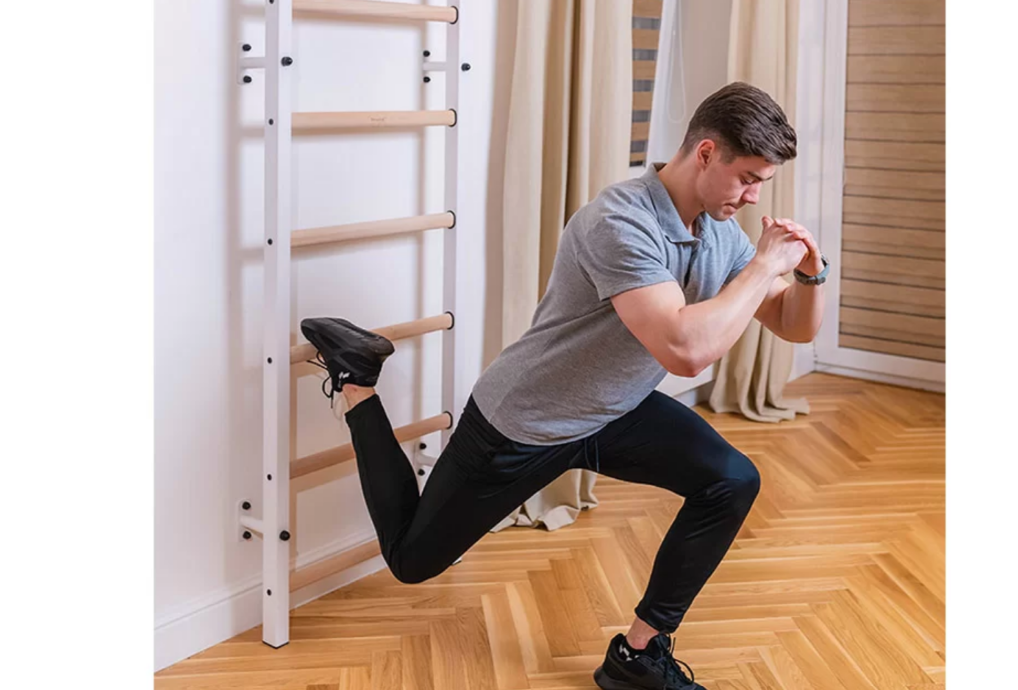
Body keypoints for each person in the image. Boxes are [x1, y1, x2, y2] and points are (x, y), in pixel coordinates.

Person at [301, 82, 828, 690]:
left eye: (763, 182)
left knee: (731, 480)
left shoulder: (716, 229)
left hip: (614, 409)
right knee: (411, 561)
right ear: (706, 153)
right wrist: (763, 267)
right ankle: (359, 382)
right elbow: (686, 351)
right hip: (528, 419)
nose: (755, 195)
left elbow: (790, 325)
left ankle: (637, 653)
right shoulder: (620, 220)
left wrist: (811, 274)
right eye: (748, 177)